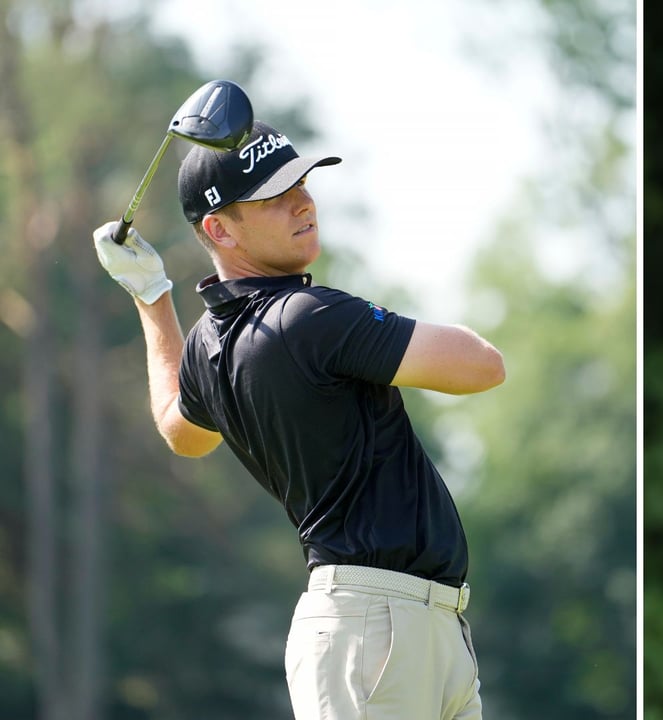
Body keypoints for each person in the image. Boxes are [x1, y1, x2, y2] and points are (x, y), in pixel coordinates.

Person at [93, 119, 505, 719]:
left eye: (302, 183)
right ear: (217, 229)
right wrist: (371, 326)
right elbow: (483, 365)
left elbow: (179, 430)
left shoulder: (210, 345)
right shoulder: (310, 317)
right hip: (375, 629)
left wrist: (153, 297)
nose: (303, 203)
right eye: (273, 197)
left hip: (403, 627)